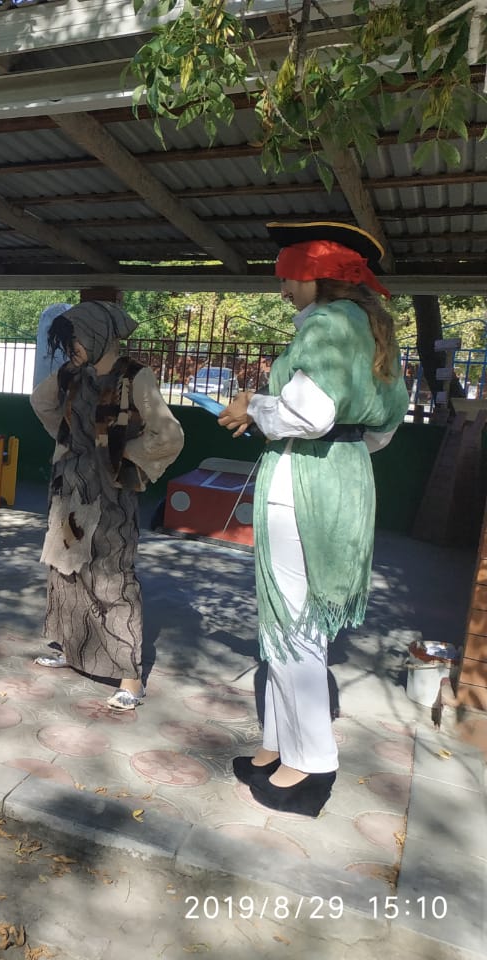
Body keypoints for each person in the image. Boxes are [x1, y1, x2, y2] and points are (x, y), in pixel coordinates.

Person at [219, 221, 409, 817]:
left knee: (294, 624)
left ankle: (311, 764)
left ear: (314, 275)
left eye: (286, 277)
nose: (281, 290)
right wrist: (331, 441)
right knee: (297, 622)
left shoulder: (328, 325)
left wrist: (253, 407)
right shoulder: (371, 328)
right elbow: (382, 428)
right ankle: (278, 745)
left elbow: (310, 413)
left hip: (304, 481)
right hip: (344, 474)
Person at [30, 301, 184, 710]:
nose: (71, 349)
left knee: (112, 578)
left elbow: (169, 435)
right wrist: (70, 442)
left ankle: (130, 679)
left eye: (76, 339)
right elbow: (40, 402)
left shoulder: (134, 376)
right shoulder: (72, 375)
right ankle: (71, 649)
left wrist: (122, 454)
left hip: (112, 495)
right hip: (70, 489)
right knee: (65, 571)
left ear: (98, 334)